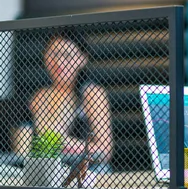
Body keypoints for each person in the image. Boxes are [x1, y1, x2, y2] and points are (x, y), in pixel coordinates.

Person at [13, 35, 113, 163]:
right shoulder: (39, 96)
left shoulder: (91, 94)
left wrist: (61, 141)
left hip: (87, 173)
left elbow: (105, 152)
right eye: (53, 55)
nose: (59, 62)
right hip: (44, 173)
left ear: (82, 59)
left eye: (66, 56)